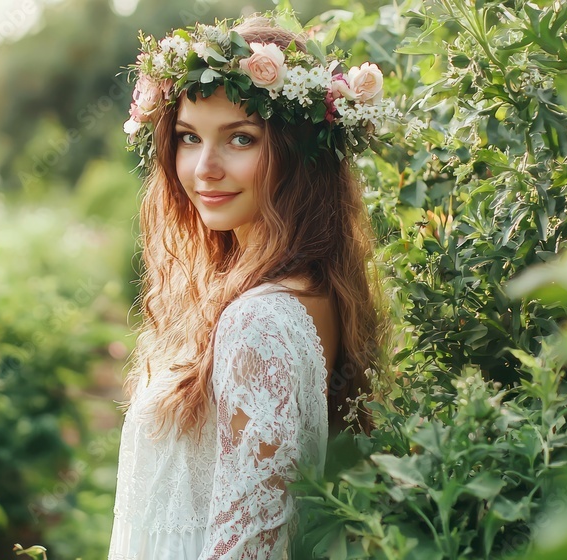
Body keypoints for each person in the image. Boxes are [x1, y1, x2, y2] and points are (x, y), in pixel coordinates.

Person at [108, 9, 394, 560]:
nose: (203, 168)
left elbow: (250, 549)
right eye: (189, 137)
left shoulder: (259, 322)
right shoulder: (313, 293)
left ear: (299, 156)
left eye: (240, 139)